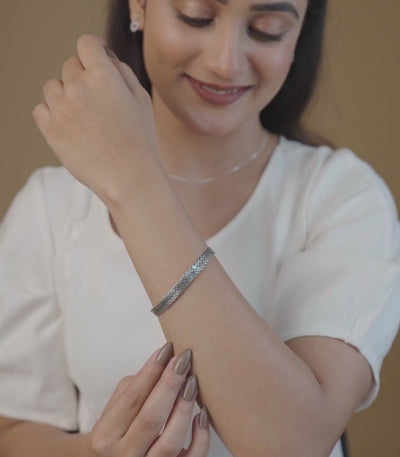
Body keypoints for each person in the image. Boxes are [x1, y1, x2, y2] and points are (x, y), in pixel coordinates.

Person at [0, 0, 399, 456]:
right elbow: (11, 431)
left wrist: (137, 188)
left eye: (267, 29)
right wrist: (98, 451)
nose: (225, 63)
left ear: (300, 32)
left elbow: (294, 444)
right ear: (139, 6)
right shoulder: (51, 206)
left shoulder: (342, 196)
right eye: (196, 16)